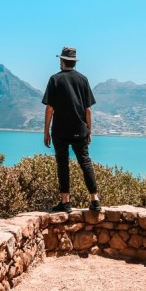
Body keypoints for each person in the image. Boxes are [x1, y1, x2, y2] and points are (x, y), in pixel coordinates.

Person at [42, 46, 101, 213]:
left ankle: (65, 202)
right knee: (85, 162)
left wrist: (46, 132)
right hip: (80, 129)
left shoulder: (54, 79)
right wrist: (89, 130)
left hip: (60, 130)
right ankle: (95, 199)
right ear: (74, 62)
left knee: (62, 164)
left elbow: (49, 109)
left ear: (62, 61)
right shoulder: (83, 79)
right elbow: (88, 109)